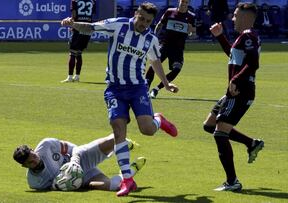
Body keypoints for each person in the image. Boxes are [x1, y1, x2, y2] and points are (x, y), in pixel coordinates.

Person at [61, 2, 179, 196]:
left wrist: (166, 84)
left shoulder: (150, 38)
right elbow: (91, 27)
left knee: (147, 130)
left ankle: (159, 120)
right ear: (136, 14)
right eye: (141, 18)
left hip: (138, 88)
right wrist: (73, 24)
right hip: (115, 89)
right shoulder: (119, 25)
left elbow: (155, 61)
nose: (143, 24)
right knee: (118, 129)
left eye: (148, 21)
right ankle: (127, 179)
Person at [203, 3, 264, 192]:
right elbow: (234, 56)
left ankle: (232, 182)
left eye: (236, 15)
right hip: (234, 91)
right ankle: (251, 143)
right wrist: (220, 36)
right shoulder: (245, 37)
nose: (233, 18)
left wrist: (236, 80)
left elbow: (253, 62)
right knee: (210, 125)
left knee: (220, 133)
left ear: (246, 17)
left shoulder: (248, 36)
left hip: (240, 92)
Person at [13, 133, 146, 191]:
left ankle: (126, 145)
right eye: (30, 162)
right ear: (24, 166)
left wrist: (74, 162)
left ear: (32, 149)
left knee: (114, 139)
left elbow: (75, 148)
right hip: (81, 179)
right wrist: (70, 181)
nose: (35, 160)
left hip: (81, 158)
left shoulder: (46, 145)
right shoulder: (35, 183)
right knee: (116, 186)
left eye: (34, 156)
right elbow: (59, 187)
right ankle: (131, 170)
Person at [145, 0, 196, 99]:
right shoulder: (169, 12)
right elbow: (160, 25)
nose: (184, 4)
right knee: (153, 66)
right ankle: (145, 88)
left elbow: (193, 34)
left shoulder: (191, 16)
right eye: (182, 1)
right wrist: (154, 38)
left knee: (177, 69)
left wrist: (191, 32)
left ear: (188, 3)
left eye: (186, 2)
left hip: (178, 49)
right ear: (179, 1)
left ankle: (156, 89)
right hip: (165, 45)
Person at [61, 0, 96, 83]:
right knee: (79, 53)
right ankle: (77, 76)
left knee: (72, 53)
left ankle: (69, 77)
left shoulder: (75, 0)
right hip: (88, 29)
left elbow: (74, 14)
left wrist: (72, 24)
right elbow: (91, 14)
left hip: (78, 28)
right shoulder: (92, 1)